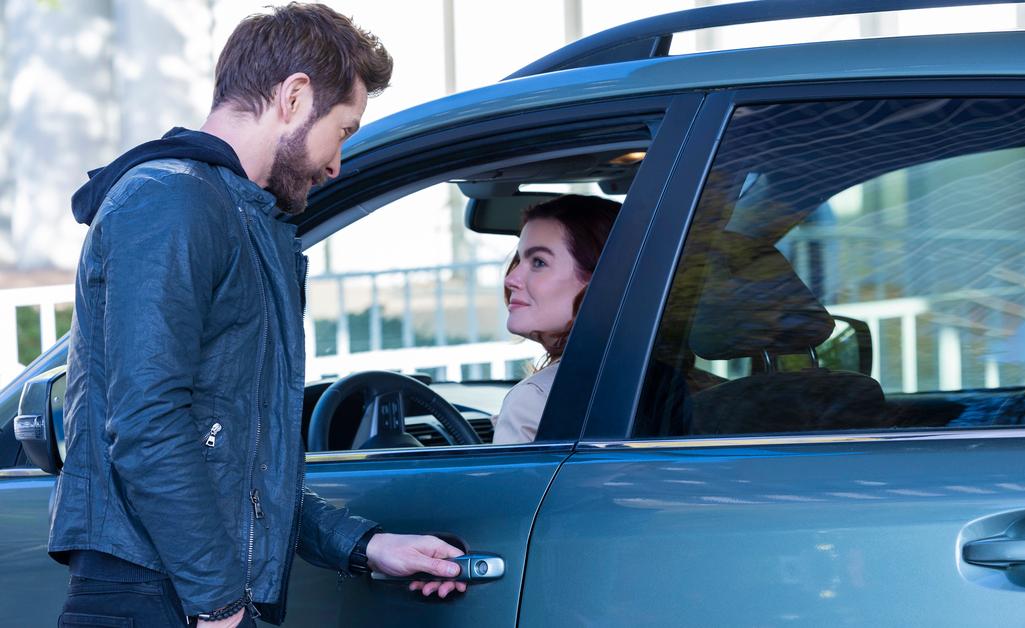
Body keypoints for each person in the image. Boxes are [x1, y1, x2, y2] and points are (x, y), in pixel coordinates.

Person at [51, 5, 463, 627]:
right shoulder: (169, 200)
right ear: (294, 97)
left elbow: (244, 471)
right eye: (344, 130)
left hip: (193, 597)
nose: (336, 164)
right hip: (153, 599)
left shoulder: (245, 219)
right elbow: (146, 421)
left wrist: (366, 547)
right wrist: (219, 606)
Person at [491, 195, 621, 445]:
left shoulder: (534, 402)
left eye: (538, 262)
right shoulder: (676, 384)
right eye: (519, 260)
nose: (511, 279)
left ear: (599, 280)